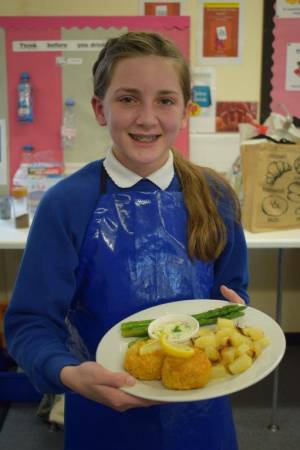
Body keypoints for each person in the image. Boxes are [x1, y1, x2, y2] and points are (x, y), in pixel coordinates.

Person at [5, 32, 249, 450]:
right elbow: (30, 324)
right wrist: (67, 373)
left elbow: (233, 292)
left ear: (186, 110)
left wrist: (236, 316)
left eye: (166, 100)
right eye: (128, 99)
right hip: (102, 413)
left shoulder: (216, 197)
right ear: (101, 109)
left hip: (201, 416)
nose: (147, 117)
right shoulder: (66, 206)